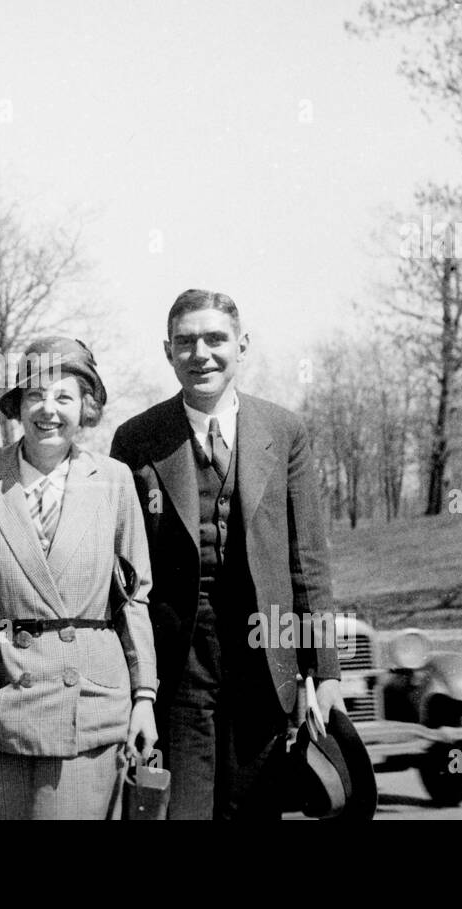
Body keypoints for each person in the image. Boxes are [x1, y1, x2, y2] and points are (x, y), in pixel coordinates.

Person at [109, 289, 343, 819]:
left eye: (216, 339)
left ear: (242, 345)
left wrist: (323, 672)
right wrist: (137, 682)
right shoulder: (137, 438)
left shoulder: (284, 433)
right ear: (168, 351)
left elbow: (307, 560)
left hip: (266, 654)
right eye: (186, 341)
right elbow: (121, 574)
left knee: (254, 808)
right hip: (180, 657)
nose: (202, 354)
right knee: (183, 809)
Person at [0, 336, 158, 819]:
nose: (47, 410)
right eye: (35, 395)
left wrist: (144, 697)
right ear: (18, 405)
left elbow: (136, 597)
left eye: (64, 397)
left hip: (90, 704)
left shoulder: (114, 480)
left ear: (86, 407)